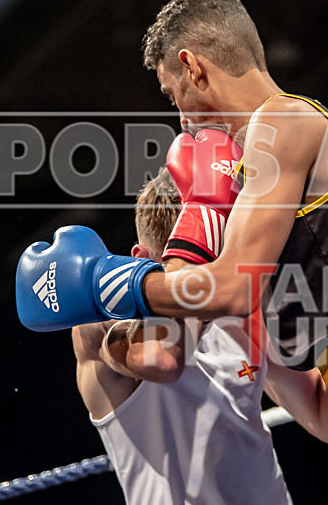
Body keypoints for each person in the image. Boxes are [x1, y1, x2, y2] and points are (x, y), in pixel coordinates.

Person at [16, 0, 328, 504]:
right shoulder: (323, 134)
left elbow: (229, 286)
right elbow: (314, 404)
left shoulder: (280, 124)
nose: (181, 119)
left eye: (171, 94)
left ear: (193, 67)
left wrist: (108, 283)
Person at [71, 167, 293, 505]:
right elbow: (162, 361)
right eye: (185, 259)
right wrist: (200, 286)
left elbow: (318, 404)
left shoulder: (245, 313)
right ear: (141, 262)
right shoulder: (102, 327)